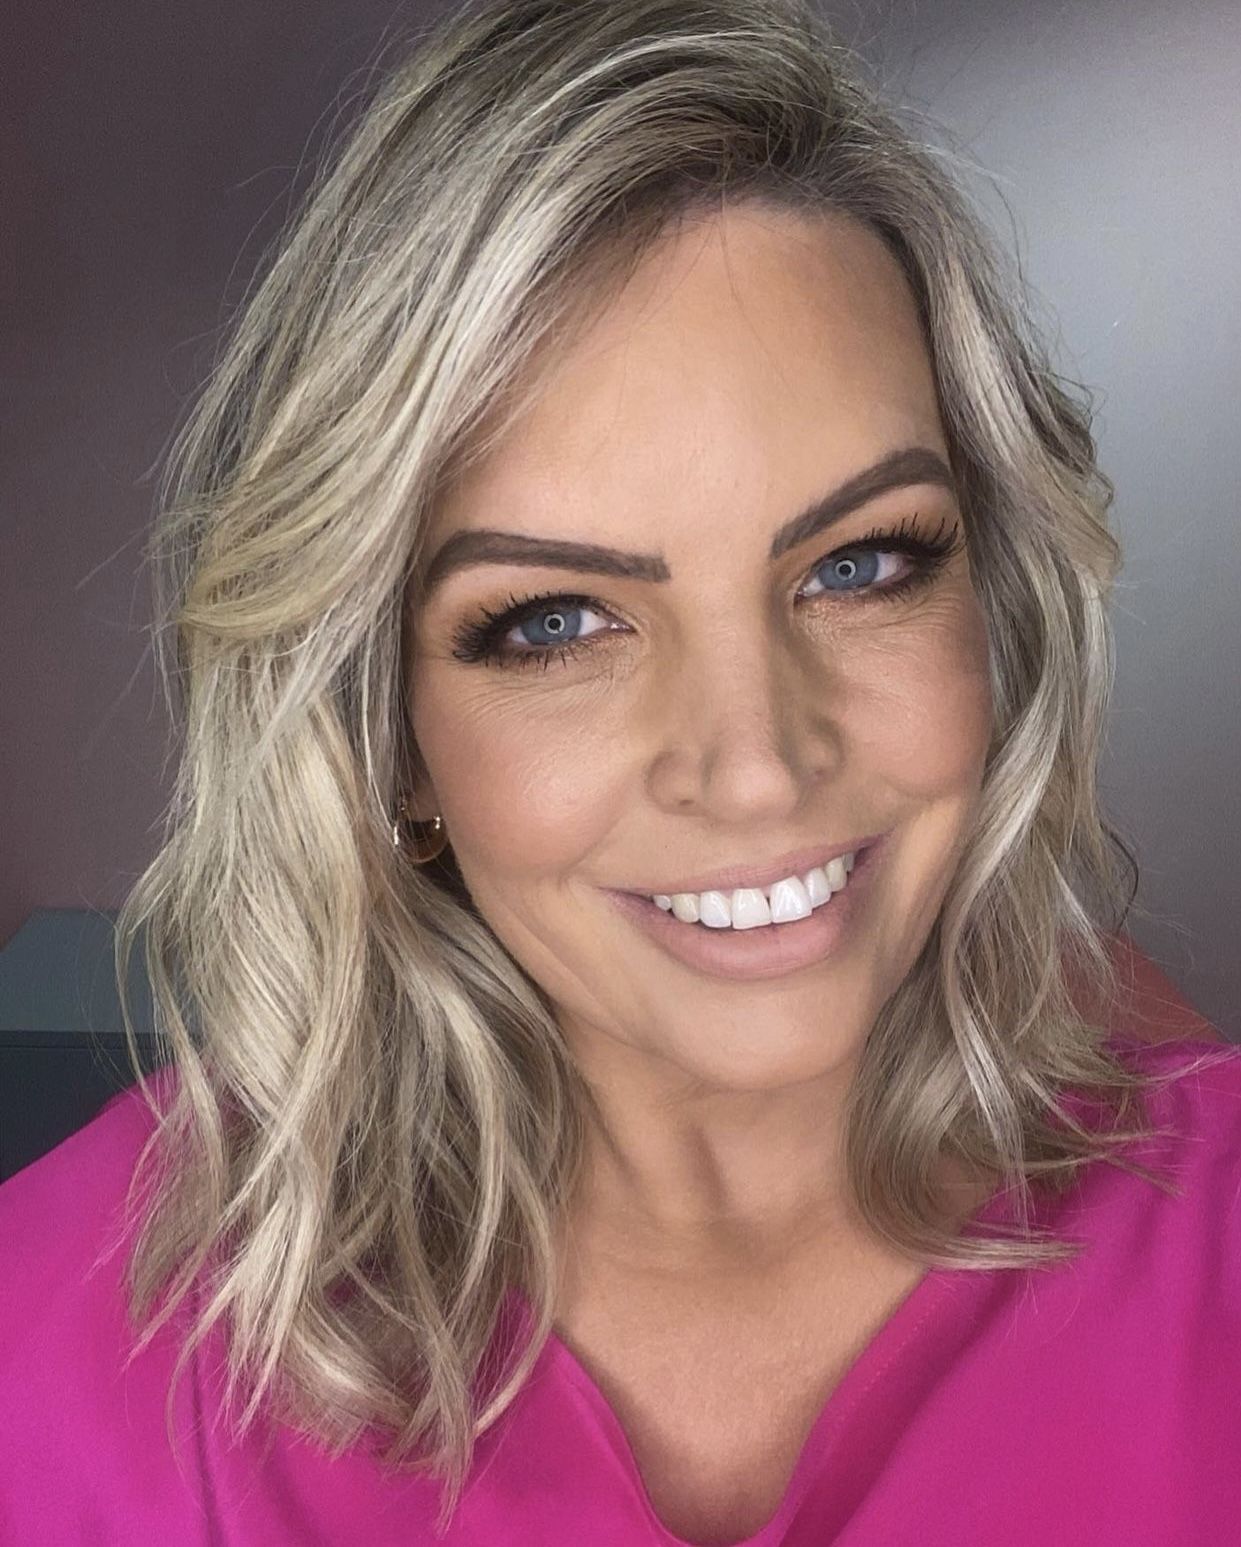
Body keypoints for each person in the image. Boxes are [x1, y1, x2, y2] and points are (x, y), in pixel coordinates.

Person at [2, 1, 1237, 1542]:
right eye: (554, 621)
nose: (756, 767)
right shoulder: (59, 1360)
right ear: (387, 736)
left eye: (859, 564)